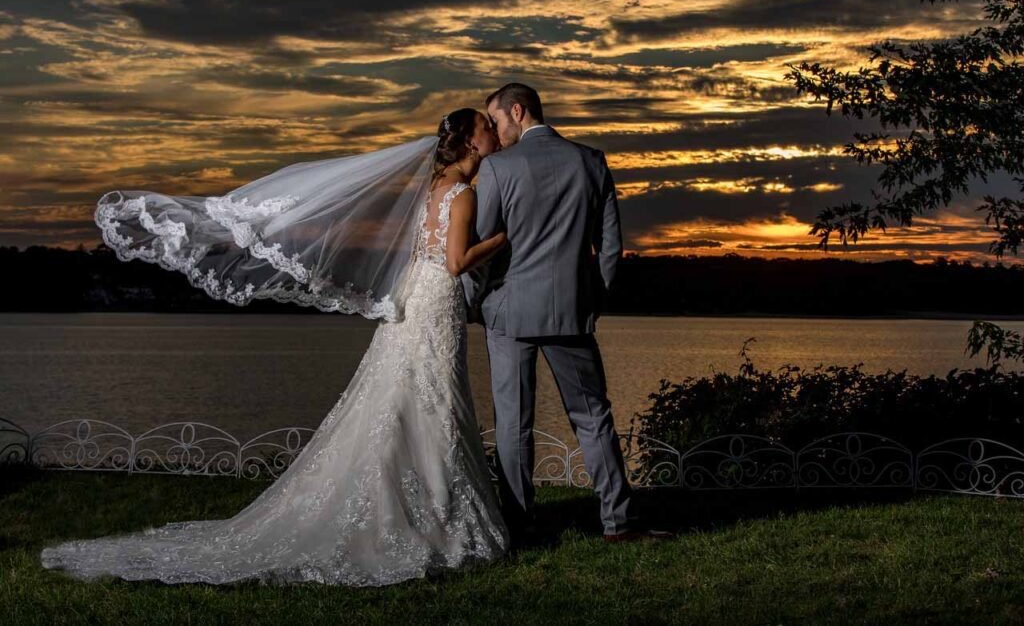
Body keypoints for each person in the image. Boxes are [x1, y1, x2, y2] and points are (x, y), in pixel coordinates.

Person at [39, 108, 513, 586]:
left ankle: (416, 503)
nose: (492, 132)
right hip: (436, 299)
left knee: (405, 393)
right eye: (485, 127)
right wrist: (503, 239)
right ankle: (436, 513)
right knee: (433, 394)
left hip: (416, 295)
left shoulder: (432, 189)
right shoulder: (462, 194)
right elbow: (457, 262)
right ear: (470, 143)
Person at [464, 82, 668, 543]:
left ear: (518, 111)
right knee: (593, 417)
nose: (494, 131)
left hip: (509, 314)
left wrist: (473, 303)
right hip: (571, 312)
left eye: (496, 120)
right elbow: (610, 248)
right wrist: (591, 300)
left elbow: (482, 249)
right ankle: (619, 523)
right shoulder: (591, 161)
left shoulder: (497, 168)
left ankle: (520, 526)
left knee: (514, 424)